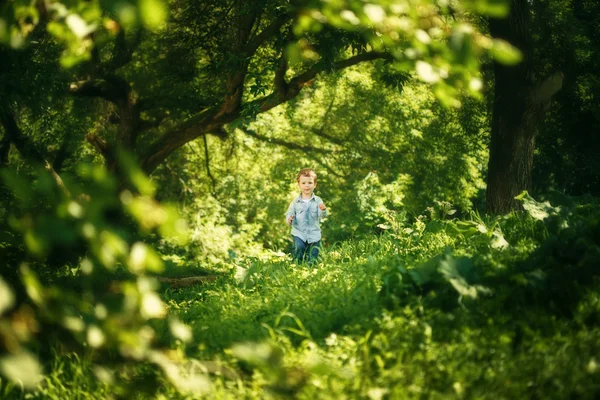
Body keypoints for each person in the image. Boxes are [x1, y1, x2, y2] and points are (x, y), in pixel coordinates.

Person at [285, 168, 328, 264]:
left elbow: (322, 216)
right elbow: (289, 213)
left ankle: (311, 270)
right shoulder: (295, 202)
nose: (307, 186)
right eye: (303, 183)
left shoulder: (318, 201)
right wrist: (290, 218)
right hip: (299, 233)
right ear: (299, 185)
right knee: (298, 248)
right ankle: (296, 266)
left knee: (313, 254)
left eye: (310, 183)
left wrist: (323, 210)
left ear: (315, 185)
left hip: (314, 234)